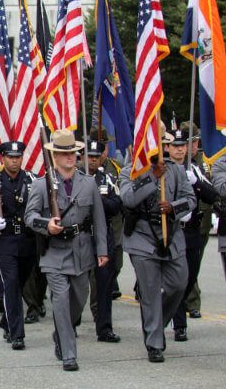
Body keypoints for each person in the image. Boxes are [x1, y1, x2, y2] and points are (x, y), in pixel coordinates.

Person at [25, 129, 108, 371]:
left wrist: (101, 250)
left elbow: (99, 220)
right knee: (60, 301)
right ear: (55, 157)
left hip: (81, 251)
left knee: (78, 301)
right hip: (54, 252)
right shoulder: (42, 185)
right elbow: (29, 216)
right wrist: (46, 225)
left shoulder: (88, 183)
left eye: (73, 152)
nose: (70, 157)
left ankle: (62, 332)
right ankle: (69, 354)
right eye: (64, 153)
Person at [119, 130, 196, 363]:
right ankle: (154, 343)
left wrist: (173, 207)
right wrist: (152, 176)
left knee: (179, 283)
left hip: (171, 235)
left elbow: (190, 198)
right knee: (150, 291)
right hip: (142, 237)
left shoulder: (175, 169)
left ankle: (155, 323)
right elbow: (128, 198)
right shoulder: (130, 170)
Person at [0, 141, 37, 350]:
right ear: (3, 158)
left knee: (19, 284)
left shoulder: (31, 180)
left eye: (17, 157)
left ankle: (6, 320)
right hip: (5, 241)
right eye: (10, 157)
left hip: (28, 241)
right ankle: (16, 333)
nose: (14, 161)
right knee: (10, 284)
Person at [165, 130, 218, 341]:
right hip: (174, 232)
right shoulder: (164, 171)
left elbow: (212, 195)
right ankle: (180, 325)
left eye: (182, 145)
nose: (179, 149)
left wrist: (196, 182)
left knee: (190, 277)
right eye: (175, 145)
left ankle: (171, 308)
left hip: (193, 232)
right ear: (168, 148)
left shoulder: (193, 170)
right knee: (178, 278)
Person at [84, 140, 122, 343]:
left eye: (95, 157)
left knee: (105, 285)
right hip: (81, 234)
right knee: (77, 284)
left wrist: (98, 200)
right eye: (88, 156)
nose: (92, 160)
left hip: (102, 234)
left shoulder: (106, 179)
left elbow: (117, 204)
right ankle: (69, 324)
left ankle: (104, 327)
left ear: (101, 158)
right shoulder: (77, 178)